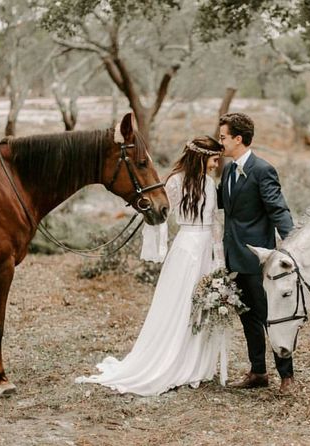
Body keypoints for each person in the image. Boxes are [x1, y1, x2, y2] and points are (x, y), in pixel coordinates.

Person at [76, 136, 227, 396]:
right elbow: (158, 213)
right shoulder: (176, 181)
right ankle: (170, 361)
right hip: (186, 248)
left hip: (205, 252)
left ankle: (195, 364)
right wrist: (159, 246)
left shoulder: (210, 184)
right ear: (202, 157)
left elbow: (214, 223)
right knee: (180, 305)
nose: (216, 165)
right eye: (214, 159)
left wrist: (219, 258)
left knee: (201, 305)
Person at [217, 112, 295, 394]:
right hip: (233, 258)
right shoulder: (227, 170)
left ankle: (287, 376)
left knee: (269, 318)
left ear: (238, 139)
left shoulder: (263, 170)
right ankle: (258, 371)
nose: (220, 141)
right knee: (247, 317)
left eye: (223, 137)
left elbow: (278, 209)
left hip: (257, 258)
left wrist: (293, 245)